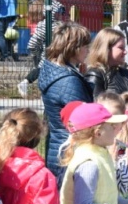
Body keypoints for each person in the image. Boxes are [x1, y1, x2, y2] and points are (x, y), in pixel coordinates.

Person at [37, 22, 94, 184]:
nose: (87, 50)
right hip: (70, 150)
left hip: (56, 145)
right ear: (74, 48)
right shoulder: (68, 81)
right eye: (85, 45)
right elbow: (84, 120)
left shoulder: (53, 71)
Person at [85, 27, 128, 98]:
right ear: (106, 49)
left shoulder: (127, 74)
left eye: (124, 48)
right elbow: (95, 105)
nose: (125, 52)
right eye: (121, 48)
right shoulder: (95, 74)